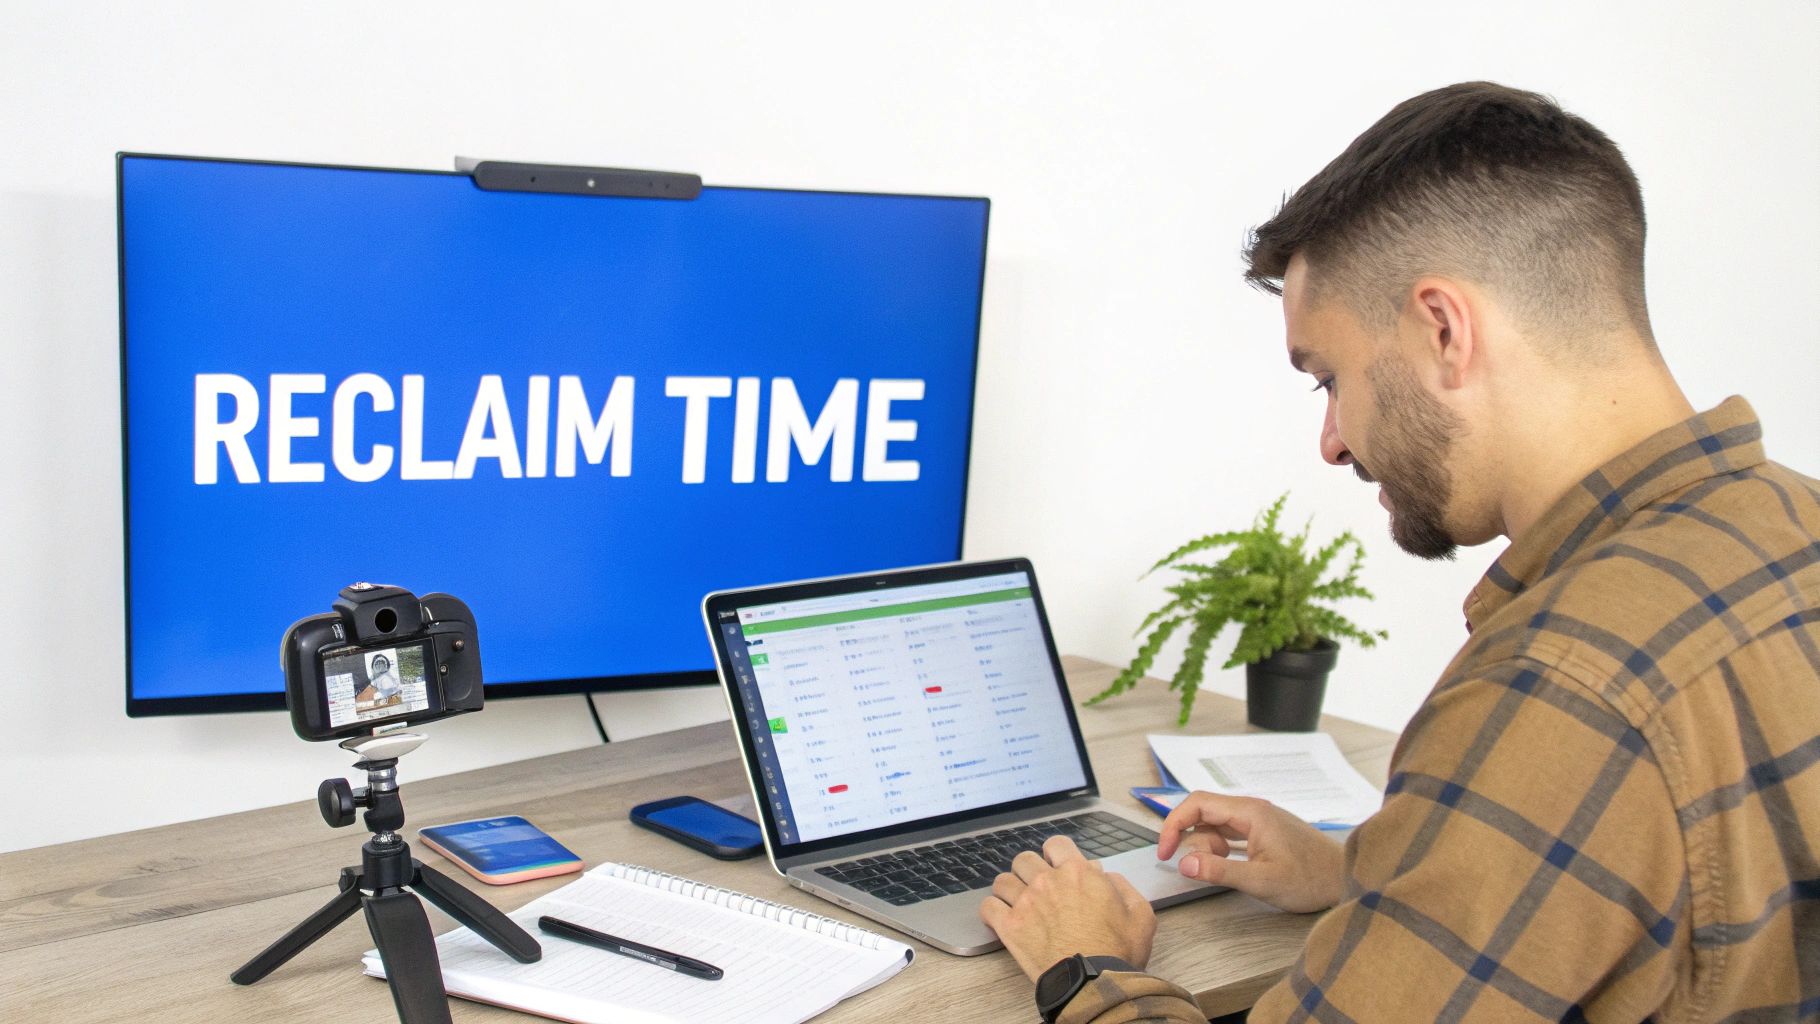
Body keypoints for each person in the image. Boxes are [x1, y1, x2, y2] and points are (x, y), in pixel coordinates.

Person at [980, 82, 1819, 1022]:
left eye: (1330, 378)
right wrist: (1375, 872)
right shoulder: (1793, 526)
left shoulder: (1564, 689)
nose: (1332, 441)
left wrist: (1085, 968)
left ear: (1444, 330)